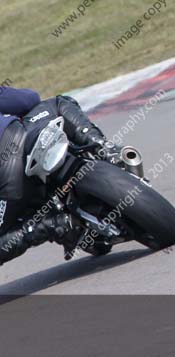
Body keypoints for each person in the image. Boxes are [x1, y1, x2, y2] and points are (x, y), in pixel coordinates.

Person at [0, 86, 111, 266]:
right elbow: (29, 100)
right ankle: (103, 147)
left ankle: (51, 225)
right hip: (18, 138)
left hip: (8, 190)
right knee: (58, 103)